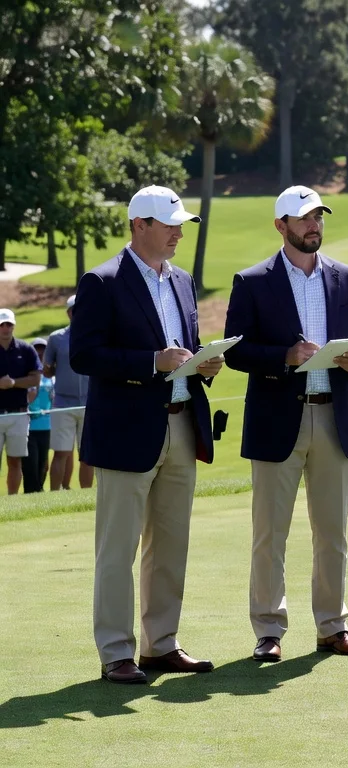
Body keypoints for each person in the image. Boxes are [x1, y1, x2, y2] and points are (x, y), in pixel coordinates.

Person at [72, 186, 224, 684]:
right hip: (125, 433)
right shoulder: (102, 281)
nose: (180, 231)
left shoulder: (182, 280)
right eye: (170, 224)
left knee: (171, 543)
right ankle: (117, 651)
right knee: (118, 548)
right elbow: (85, 356)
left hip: (181, 423)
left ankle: (161, 645)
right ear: (140, 225)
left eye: (181, 223)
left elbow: (185, 345)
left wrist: (203, 363)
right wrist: (150, 363)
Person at [223, 186, 348, 663]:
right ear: (281, 226)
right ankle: (269, 630)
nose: (314, 225)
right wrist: (283, 357)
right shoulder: (252, 282)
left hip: (334, 414)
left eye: (318, 217)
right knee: (270, 532)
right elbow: (235, 352)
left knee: (332, 532)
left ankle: (333, 626)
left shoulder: (347, 278)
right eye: (303, 218)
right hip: (277, 421)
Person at [45, 295, 92, 490]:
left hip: (89, 403)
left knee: (87, 455)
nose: (77, 312)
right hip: (63, 403)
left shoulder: (94, 336)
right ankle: (56, 495)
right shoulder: (56, 338)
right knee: (61, 452)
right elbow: (47, 370)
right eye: (73, 309)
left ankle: (86, 495)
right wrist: (50, 367)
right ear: (68, 313)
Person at [0, 309, 41, 495]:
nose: (5, 328)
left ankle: (12, 499)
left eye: (9, 324)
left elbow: (35, 379)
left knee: (15, 460)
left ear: (14, 326)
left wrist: (14, 383)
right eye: (2, 325)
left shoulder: (26, 349)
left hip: (18, 413)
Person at [23, 337, 52, 493]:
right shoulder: (28, 374)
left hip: (46, 425)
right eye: (37, 349)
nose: (40, 353)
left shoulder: (50, 375)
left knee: (43, 463)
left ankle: (39, 491)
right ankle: (30, 492)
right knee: (31, 463)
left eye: (43, 349)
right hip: (29, 425)